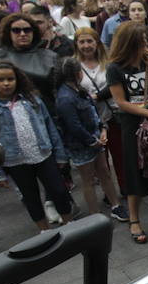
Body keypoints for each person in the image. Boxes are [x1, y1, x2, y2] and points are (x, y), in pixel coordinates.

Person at [105, 21, 148, 243]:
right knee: (135, 172)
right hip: (133, 125)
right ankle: (135, 219)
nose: (145, 44)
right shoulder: (115, 68)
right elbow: (120, 103)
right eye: (141, 41)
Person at [0, 60, 73, 230]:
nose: (6, 83)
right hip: (16, 162)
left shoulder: (32, 99)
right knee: (31, 198)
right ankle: (44, 231)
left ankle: (69, 224)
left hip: (43, 154)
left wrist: (60, 154)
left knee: (59, 190)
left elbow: (50, 126)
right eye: (0, 79)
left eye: (10, 79)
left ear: (17, 79)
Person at [55, 58, 128, 221]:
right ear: (77, 74)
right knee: (88, 180)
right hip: (81, 145)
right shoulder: (65, 98)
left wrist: (102, 129)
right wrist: (92, 140)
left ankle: (115, 205)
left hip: (95, 137)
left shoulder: (79, 90)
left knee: (104, 172)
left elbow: (93, 112)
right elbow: (73, 126)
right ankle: (95, 216)